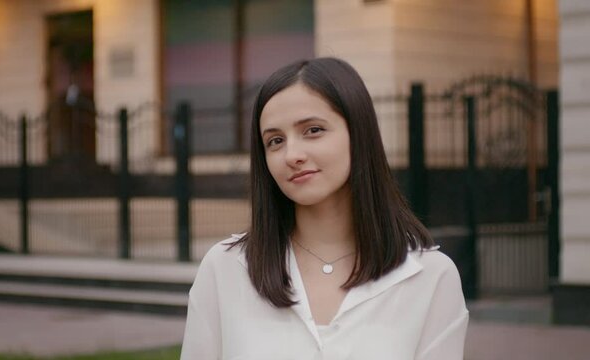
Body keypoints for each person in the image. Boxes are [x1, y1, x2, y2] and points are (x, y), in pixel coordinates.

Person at [181, 57, 468, 359]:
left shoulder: (431, 278)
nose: (292, 154)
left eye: (313, 130)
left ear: (359, 134)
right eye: (275, 140)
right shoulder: (225, 268)